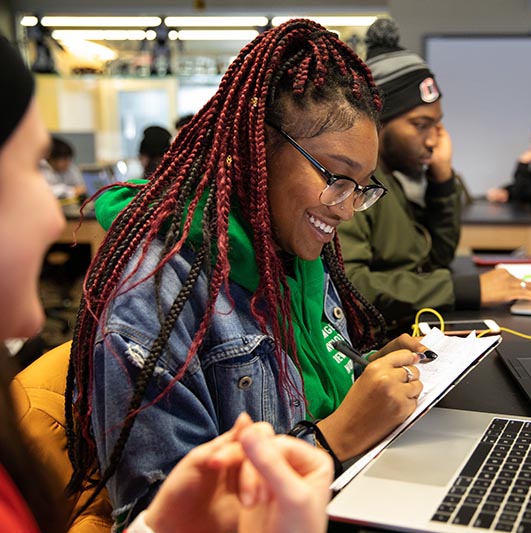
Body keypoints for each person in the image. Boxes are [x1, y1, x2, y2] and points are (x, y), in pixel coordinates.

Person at [66, 19, 430, 528]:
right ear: (257, 150)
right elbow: (159, 516)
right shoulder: (154, 298)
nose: (347, 210)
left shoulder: (294, 248)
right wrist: (333, 442)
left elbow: (301, 390)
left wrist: (365, 367)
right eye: (336, 178)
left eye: (362, 187)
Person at [0, 34, 333, 533]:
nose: (55, 218)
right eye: (31, 168)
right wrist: (333, 441)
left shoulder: (303, 261)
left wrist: (160, 528)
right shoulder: (158, 288)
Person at [337, 18, 531, 333]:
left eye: (437, 125)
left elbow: (435, 257)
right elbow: (350, 283)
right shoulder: (353, 185)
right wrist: (466, 290)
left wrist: (442, 179)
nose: (434, 140)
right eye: (420, 125)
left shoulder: (397, 180)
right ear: (378, 121)